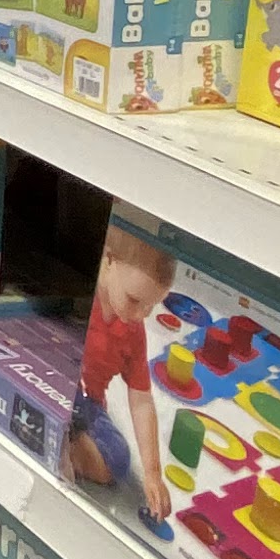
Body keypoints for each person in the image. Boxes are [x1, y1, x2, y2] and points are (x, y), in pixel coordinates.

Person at [66, 220, 176, 520]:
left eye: (151, 306)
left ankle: (70, 446)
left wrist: (152, 472)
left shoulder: (133, 332)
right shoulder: (81, 293)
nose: (141, 314)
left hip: (87, 407)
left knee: (118, 459)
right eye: (135, 300)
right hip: (59, 384)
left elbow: (141, 400)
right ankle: (61, 434)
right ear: (108, 261)